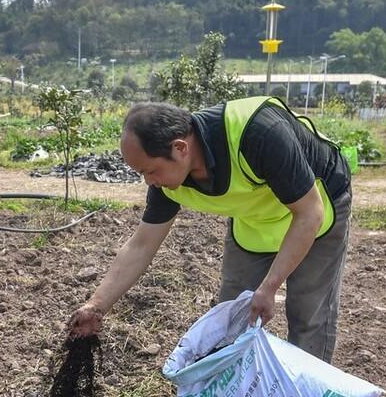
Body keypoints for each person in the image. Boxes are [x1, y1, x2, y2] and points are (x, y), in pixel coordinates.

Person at [67, 96, 354, 366]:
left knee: (308, 314)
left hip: (317, 208)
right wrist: (97, 305)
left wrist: (269, 287)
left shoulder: (260, 133)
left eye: (150, 171)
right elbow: (141, 245)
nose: (149, 182)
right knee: (231, 314)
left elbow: (309, 214)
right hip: (255, 220)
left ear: (180, 148)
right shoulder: (167, 182)